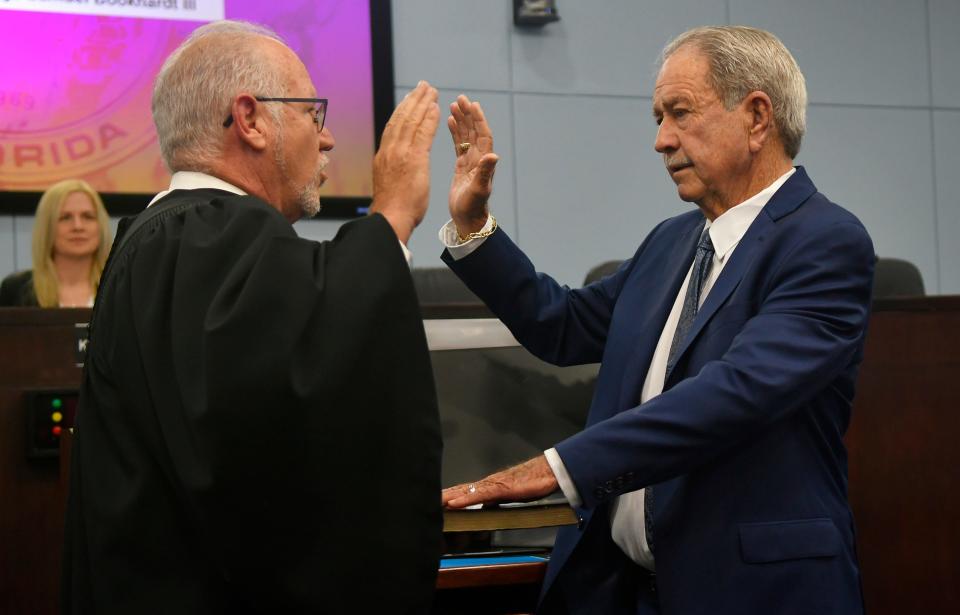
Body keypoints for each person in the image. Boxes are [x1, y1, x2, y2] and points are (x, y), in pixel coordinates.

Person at [440, 25, 873, 615]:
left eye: (680, 113)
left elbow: (732, 393)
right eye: (657, 118)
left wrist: (560, 467)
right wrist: (474, 228)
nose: (661, 141)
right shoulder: (672, 242)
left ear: (756, 117)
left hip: (751, 593)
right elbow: (560, 324)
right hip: (628, 592)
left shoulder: (826, 242)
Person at [63, 21, 443, 614]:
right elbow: (287, 405)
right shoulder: (204, 238)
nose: (328, 140)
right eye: (312, 114)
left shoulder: (177, 240)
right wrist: (390, 215)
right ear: (251, 119)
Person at [0, 179, 111, 307]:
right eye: (65, 217)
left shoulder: (122, 288)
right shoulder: (16, 290)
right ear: (47, 227)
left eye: (88, 216)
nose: (78, 226)